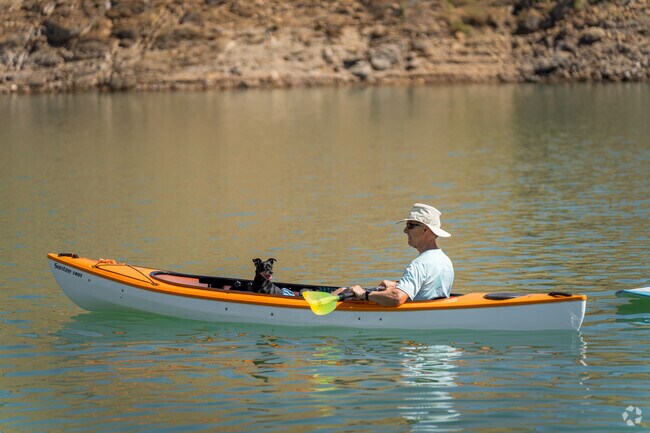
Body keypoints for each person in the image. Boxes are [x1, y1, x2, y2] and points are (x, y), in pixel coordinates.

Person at [335, 203, 454, 306]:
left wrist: (363, 294)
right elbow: (426, 283)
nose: (405, 230)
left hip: (414, 317)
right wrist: (396, 284)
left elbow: (397, 298)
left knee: (342, 291)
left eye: (410, 225)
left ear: (425, 230)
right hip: (431, 313)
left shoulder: (419, 264)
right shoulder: (445, 260)